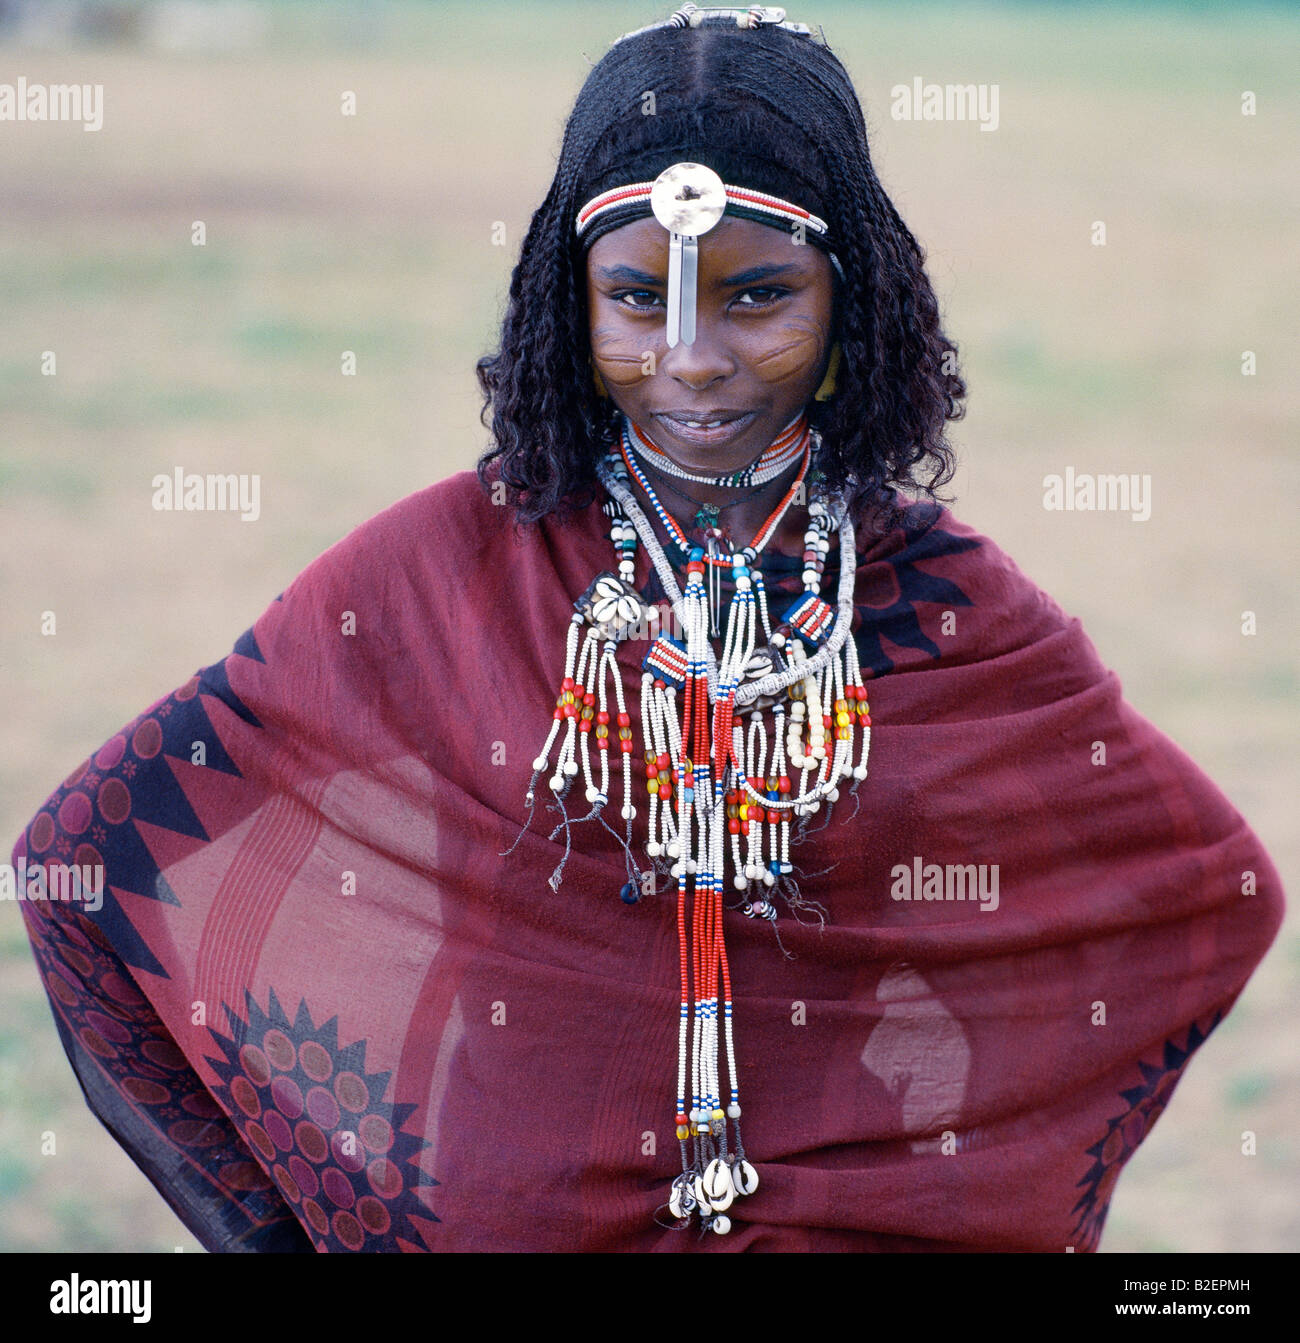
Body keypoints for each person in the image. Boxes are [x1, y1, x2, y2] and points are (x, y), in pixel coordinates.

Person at [12, 6, 1283, 1253]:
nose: (688, 357)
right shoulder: (441, 569)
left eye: (758, 296)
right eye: (633, 298)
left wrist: (953, 1148)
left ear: (854, 299)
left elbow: (1205, 898)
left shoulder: (950, 606)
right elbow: (89, 858)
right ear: (570, 306)